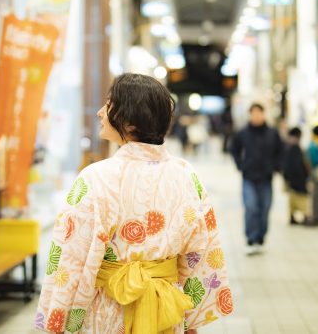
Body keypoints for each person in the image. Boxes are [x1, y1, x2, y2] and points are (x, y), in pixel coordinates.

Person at [35, 73, 233, 334]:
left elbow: (69, 258)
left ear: (129, 120)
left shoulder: (96, 178)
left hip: (108, 309)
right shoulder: (186, 175)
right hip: (166, 309)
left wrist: (56, 320)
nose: (99, 113)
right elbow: (201, 253)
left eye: (108, 105)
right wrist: (189, 318)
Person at [231, 103, 284, 255]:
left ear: (263, 114)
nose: (256, 116)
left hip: (266, 178)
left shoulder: (272, 133)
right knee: (251, 207)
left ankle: (261, 238)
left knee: (265, 208)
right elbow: (234, 149)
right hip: (249, 177)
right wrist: (241, 165)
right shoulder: (243, 133)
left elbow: (280, 151)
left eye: (258, 113)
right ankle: (251, 239)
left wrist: (276, 166)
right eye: (253, 113)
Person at [283, 127, 310, 225]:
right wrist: (304, 175)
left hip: (291, 178)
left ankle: (292, 216)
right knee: (301, 197)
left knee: (292, 198)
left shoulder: (288, 146)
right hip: (297, 178)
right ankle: (305, 216)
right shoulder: (294, 147)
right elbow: (297, 164)